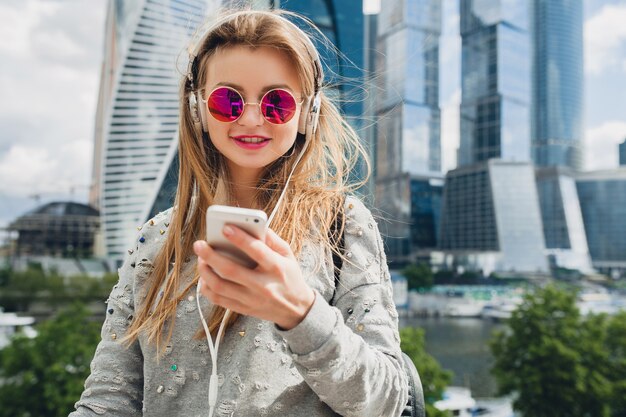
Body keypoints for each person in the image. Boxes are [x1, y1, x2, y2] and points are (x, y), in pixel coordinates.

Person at [70, 8, 408, 417]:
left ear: (308, 112)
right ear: (198, 111)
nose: (251, 118)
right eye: (227, 100)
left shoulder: (343, 224)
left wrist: (300, 312)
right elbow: (108, 402)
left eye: (277, 102)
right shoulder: (156, 238)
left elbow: (387, 400)